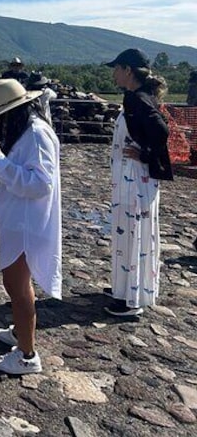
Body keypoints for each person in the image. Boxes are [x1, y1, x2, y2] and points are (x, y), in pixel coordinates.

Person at [0, 78, 62, 375]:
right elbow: (8, 176)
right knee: (18, 286)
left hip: (27, 224)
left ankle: (26, 354)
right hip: (18, 220)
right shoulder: (24, 132)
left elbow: (40, 183)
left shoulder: (35, 134)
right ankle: (22, 333)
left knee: (17, 286)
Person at [104, 48, 173, 317]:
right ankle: (128, 287)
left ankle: (130, 298)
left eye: (117, 68)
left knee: (132, 233)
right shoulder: (137, 98)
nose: (114, 73)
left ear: (128, 71)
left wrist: (144, 153)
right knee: (130, 232)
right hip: (130, 178)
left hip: (135, 178)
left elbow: (161, 132)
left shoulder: (139, 100)